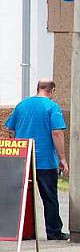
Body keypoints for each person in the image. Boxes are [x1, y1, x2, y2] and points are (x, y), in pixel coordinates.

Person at [4, 78, 69, 240]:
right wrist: (62, 158)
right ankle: (53, 232)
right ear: (52, 91)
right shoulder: (52, 107)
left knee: (20, 196)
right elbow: (57, 133)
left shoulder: (22, 105)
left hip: (22, 160)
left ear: (37, 88)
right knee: (49, 198)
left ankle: (20, 231)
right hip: (44, 160)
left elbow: (10, 130)